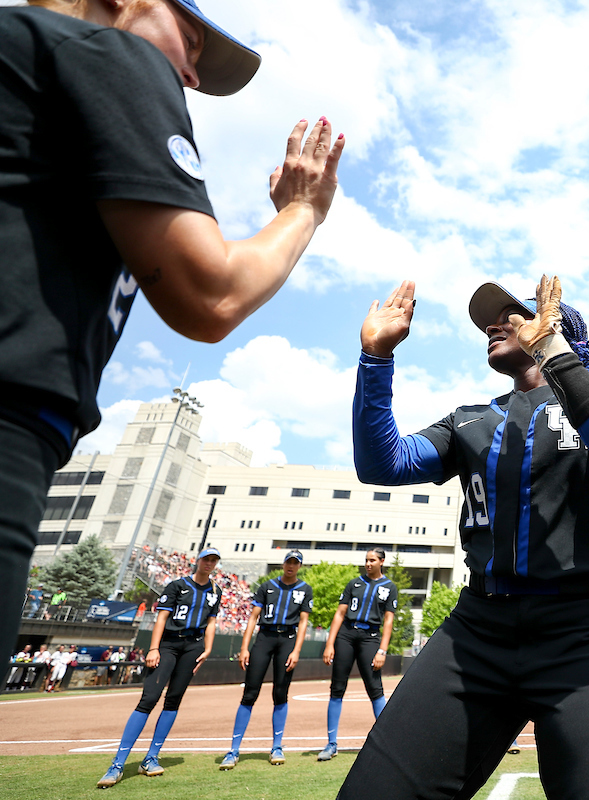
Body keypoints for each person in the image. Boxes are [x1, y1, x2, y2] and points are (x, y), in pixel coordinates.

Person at [0, 0, 345, 663]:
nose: (189, 73)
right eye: (188, 42)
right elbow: (212, 296)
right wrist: (304, 212)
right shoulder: (106, 53)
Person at [339, 276, 589, 799]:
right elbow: (382, 464)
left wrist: (553, 351)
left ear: (556, 327)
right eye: (488, 321)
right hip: (477, 632)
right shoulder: (471, 420)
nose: (492, 324)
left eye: (511, 315)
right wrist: (376, 358)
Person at [97, 547, 223, 788]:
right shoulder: (177, 585)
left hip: (194, 647)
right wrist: (154, 649)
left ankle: (151, 758)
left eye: (214, 560)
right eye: (206, 559)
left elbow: (211, 621)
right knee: (149, 698)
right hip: (169, 645)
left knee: (173, 699)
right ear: (198, 560)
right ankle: (117, 763)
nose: (210, 563)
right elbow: (162, 618)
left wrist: (207, 648)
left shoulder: (215, 590)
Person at [220, 550, 312, 770]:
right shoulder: (267, 586)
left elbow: (303, 622)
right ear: (283, 564)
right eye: (288, 562)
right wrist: (244, 647)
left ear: (299, 566)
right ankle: (233, 749)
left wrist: (296, 650)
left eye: (295, 563)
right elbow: (253, 617)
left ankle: (277, 746)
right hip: (265, 637)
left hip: (288, 640)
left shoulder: (305, 590)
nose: (291, 566)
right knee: (250, 692)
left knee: (280, 693)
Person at [316, 548, 397, 763]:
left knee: (375, 688)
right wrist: (329, 644)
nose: (368, 563)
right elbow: (340, 613)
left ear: (381, 561)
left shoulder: (389, 587)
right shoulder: (354, 583)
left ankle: (388, 743)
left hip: (370, 638)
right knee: (337, 688)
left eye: (372, 560)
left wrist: (382, 650)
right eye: (366, 560)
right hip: (346, 636)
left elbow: (388, 621)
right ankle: (331, 744)